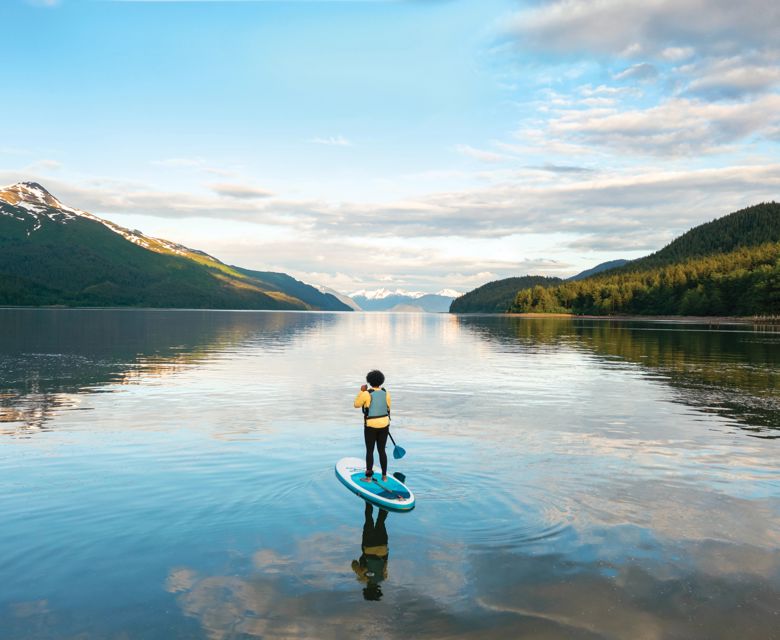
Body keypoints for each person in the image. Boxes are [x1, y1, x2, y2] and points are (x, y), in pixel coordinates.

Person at [354, 369, 391, 483]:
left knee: (370, 451)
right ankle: (384, 477)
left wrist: (361, 391)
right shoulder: (386, 392)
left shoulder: (366, 393)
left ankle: (369, 477)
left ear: (369, 381)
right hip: (385, 424)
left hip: (371, 425)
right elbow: (388, 407)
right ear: (381, 381)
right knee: (382, 451)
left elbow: (356, 405)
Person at [351, 502, 389, 601]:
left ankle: (385, 503)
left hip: (382, 545)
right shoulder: (362, 578)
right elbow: (354, 563)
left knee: (381, 521)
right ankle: (368, 501)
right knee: (368, 518)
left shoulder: (383, 577)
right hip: (368, 545)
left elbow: (385, 563)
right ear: (367, 588)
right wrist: (359, 570)